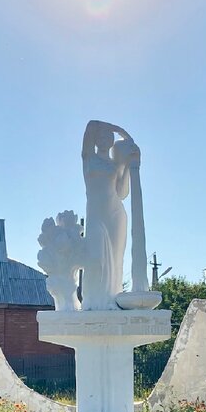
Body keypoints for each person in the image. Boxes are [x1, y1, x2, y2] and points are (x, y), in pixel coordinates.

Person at [80, 120, 137, 309]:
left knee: (116, 257)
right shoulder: (88, 158)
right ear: (95, 140)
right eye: (101, 136)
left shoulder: (115, 164)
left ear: (112, 141)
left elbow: (122, 192)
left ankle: (112, 300)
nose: (105, 139)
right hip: (96, 214)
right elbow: (91, 124)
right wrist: (120, 130)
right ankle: (92, 301)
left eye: (109, 136)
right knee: (95, 257)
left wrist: (127, 166)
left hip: (115, 214)